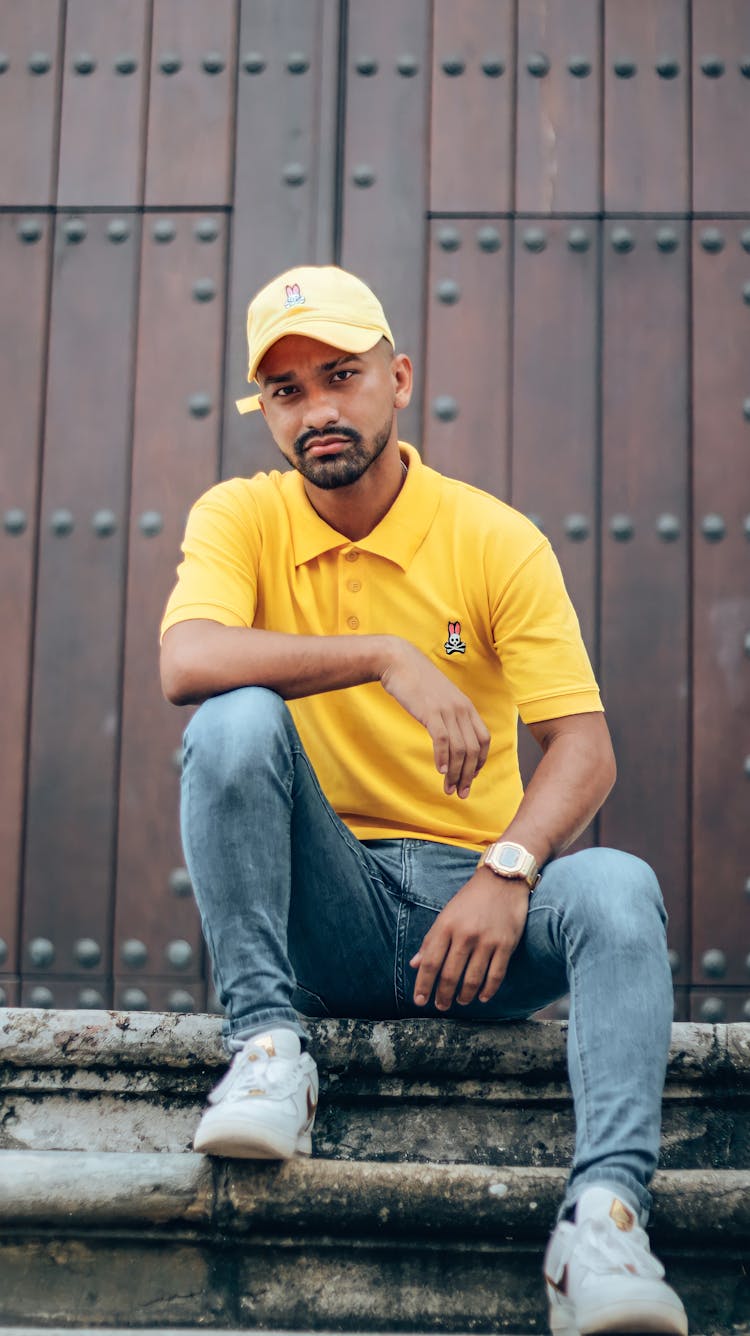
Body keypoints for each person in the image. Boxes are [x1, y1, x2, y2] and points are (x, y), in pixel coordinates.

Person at [160, 265, 688, 1336]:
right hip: (331, 906)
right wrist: (381, 654)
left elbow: (584, 749)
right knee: (230, 718)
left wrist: (509, 868)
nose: (318, 409)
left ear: (399, 379)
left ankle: (605, 1218)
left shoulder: (493, 537)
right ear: (267, 413)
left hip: (474, 924)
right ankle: (267, 1048)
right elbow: (188, 659)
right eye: (287, 391)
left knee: (621, 887)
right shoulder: (242, 517)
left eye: (341, 376)